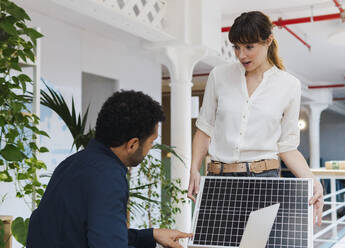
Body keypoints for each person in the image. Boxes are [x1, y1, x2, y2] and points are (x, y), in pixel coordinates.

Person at [187, 11, 324, 226]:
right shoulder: (219, 75)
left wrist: (312, 179)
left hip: (263, 181)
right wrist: (194, 168)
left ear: (268, 40)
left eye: (249, 47)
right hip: (218, 180)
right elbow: (204, 129)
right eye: (236, 47)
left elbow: (287, 146)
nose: (241, 55)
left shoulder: (289, 85)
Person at [27, 90, 192, 248]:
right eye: (152, 141)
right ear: (133, 144)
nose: (151, 148)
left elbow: (94, 234)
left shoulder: (71, 164)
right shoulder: (108, 178)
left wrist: (151, 235)